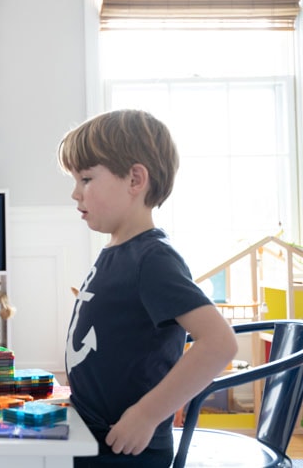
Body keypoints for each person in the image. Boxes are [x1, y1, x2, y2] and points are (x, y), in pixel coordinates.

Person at [58, 109, 238, 467]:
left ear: (135, 179)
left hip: (124, 446)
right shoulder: (116, 251)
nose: (76, 194)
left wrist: (145, 415)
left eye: (87, 179)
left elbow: (219, 343)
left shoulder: (151, 258)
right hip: (93, 433)